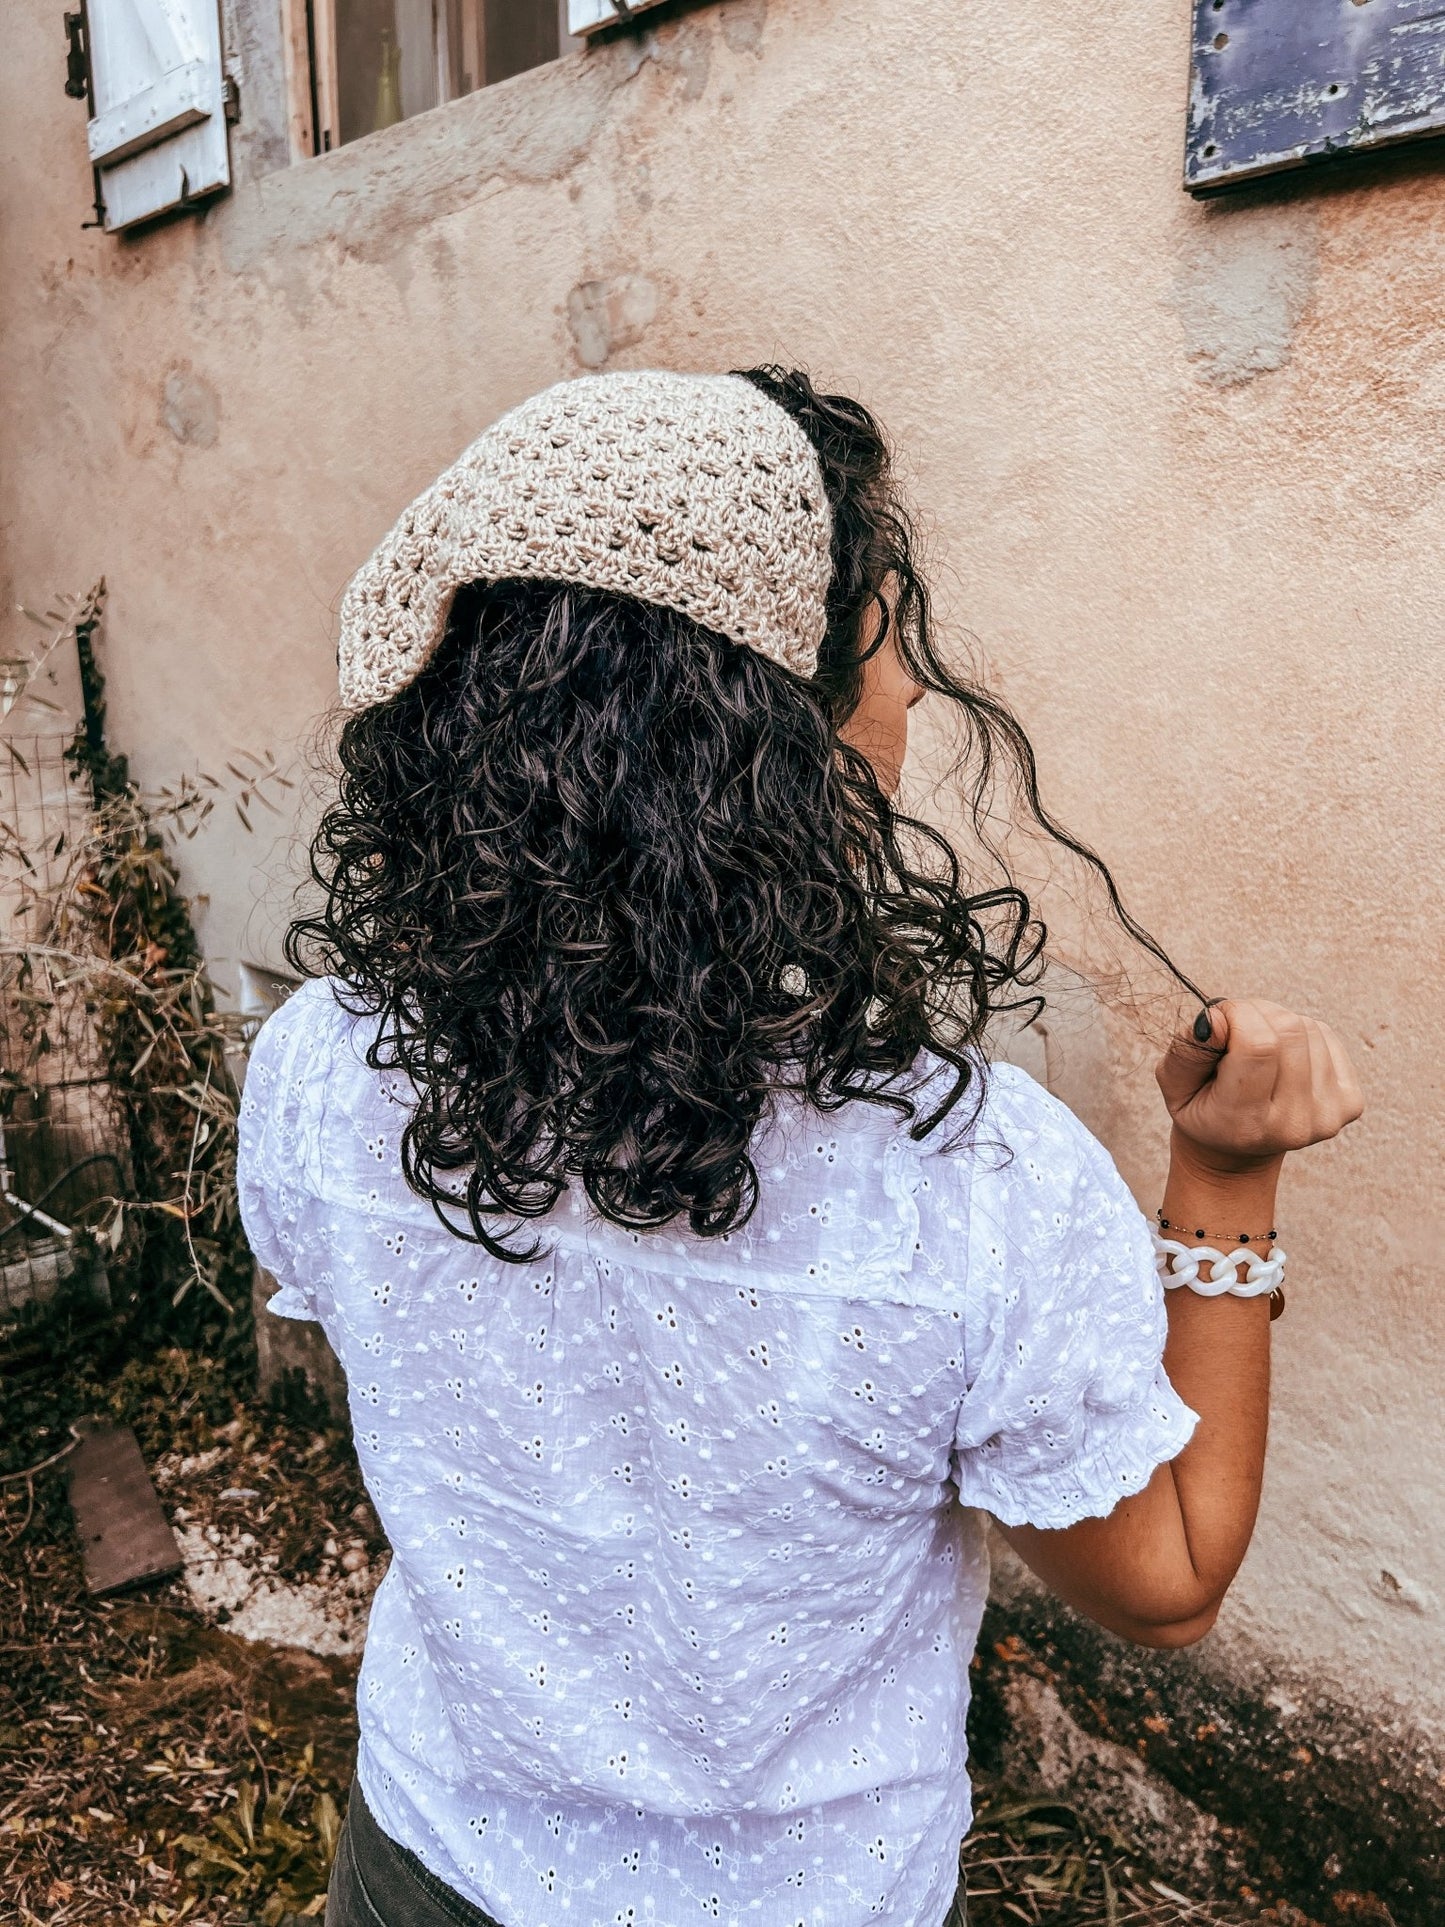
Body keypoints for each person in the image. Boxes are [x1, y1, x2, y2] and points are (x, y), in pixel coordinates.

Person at [237, 368, 1362, 1927]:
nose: (907, 694)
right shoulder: (966, 1180)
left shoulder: (321, 1066)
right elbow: (1165, 1584)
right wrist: (1226, 1186)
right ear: (789, 737)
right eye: (886, 643)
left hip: (424, 1858)